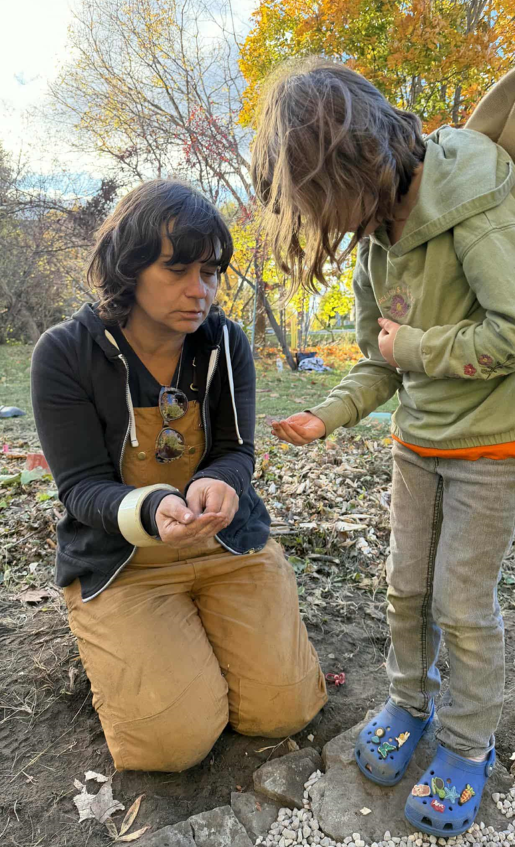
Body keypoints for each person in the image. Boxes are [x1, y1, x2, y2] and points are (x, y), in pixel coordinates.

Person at [250, 57, 515, 837]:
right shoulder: (374, 235)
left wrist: (416, 347)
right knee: (405, 589)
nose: (337, 227)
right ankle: (408, 700)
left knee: (461, 606)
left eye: (328, 203)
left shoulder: (479, 206)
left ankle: (466, 742)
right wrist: (327, 415)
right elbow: (377, 358)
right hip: (419, 439)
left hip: (496, 438)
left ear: (363, 157)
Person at [31, 179, 327, 773]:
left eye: (211, 272)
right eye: (178, 271)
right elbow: (82, 487)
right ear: (129, 267)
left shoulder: (224, 342)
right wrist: (148, 511)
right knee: (172, 744)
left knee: (285, 709)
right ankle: (140, 643)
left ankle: (201, 640)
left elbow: (236, 450)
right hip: (125, 561)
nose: (202, 292)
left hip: (227, 545)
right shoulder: (65, 353)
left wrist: (222, 481)